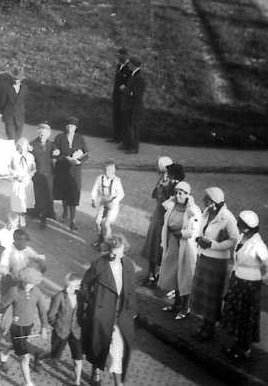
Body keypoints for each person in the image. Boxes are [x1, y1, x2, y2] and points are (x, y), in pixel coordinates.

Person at [79, 234, 138, 386]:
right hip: (102, 313)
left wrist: (131, 310)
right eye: (110, 249)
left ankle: (117, 381)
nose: (112, 253)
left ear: (124, 248)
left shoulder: (129, 265)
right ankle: (96, 371)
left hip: (121, 314)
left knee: (119, 348)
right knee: (99, 344)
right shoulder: (99, 264)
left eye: (116, 250)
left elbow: (131, 290)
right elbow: (85, 285)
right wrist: (91, 303)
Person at [221, 210, 268, 360]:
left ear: (246, 227)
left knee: (245, 317)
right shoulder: (242, 238)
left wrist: (264, 279)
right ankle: (237, 345)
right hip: (238, 282)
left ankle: (245, 349)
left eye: (239, 223)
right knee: (237, 315)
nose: (237, 225)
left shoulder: (258, 245)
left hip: (250, 286)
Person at [190, 186, 240, 341]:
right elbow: (201, 230)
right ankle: (204, 325)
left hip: (217, 262)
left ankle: (209, 329)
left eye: (207, 200)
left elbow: (233, 240)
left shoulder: (228, 217)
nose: (205, 202)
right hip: (204, 257)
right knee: (203, 294)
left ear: (214, 201)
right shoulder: (206, 212)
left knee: (212, 295)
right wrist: (199, 239)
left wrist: (213, 245)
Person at [0, 266, 47, 386]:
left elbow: (42, 310)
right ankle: (28, 383)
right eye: (30, 284)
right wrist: (12, 313)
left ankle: (3, 356)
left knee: (17, 345)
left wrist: (44, 327)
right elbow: (4, 304)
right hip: (16, 326)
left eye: (34, 284)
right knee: (24, 356)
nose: (32, 286)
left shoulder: (36, 292)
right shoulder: (14, 290)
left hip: (28, 326)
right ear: (24, 281)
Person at [158, 179, 201, 319]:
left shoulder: (193, 210)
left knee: (185, 275)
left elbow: (194, 232)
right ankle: (176, 303)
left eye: (181, 193)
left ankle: (185, 307)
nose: (178, 195)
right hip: (172, 244)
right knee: (174, 274)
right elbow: (165, 207)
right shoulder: (172, 206)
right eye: (176, 192)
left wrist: (180, 233)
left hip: (185, 246)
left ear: (188, 194)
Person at [141, 157, 177, 287]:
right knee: (152, 245)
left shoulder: (172, 183)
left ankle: (160, 275)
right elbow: (154, 194)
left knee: (161, 246)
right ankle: (151, 274)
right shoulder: (161, 179)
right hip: (157, 215)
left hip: (165, 217)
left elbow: (170, 201)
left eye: (158, 165)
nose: (156, 167)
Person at [44, 273, 84, 386]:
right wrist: (57, 326)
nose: (80, 286)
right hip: (61, 331)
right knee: (54, 356)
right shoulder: (59, 296)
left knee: (78, 359)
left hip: (76, 332)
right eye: (78, 284)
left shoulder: (80, 296)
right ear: (71, 283)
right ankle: (40, 356)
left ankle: (77, 382)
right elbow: (51, 315)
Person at [52, 117, 88, 230]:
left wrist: (79, 160)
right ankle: (65, 213)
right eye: (68, 126)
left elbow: (86, 153)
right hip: (62, 168)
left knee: (73, 193)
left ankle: (73, 220)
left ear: (76, 127)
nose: (70, 128)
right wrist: (65, 157)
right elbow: (55, 153)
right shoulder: (59, 137)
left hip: (75, 170)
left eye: (72, 126)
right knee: (64, 192)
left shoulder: (80, 138)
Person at [90, 160, 125, 247]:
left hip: (113, 206)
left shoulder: (116, 180)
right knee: (98, 221)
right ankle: (100, 239)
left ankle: (108, 242)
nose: (108, 172)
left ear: (114, 170)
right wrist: (93, 199)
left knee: (106, 223)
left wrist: (114, 202)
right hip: (103, 203)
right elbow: (94, 189)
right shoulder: (100, 178)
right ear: (103, 169)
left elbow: (121, 194)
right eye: (106, 170)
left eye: (110, 170)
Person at [29, 123, 56, 228]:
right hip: (37, 174)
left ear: (48, 135)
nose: (42, 136)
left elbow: (56, 157)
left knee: (48, 196)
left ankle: (46, 215)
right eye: (40, 134)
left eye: (44, 134)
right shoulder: (32, 144)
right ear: (38, 133)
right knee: (39, 196)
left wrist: (57, 155)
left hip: (49, 175)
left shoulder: (52, 145)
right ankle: (40, 215)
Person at [9, 138, 36, 228]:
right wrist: (16, 175)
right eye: (21, 146)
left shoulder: (30, 157)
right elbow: (10, 168)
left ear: (27, 147)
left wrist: (28, 177)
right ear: (18, 146)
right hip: (17, 181)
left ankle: (22, 217)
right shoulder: (14, 156)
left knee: (24, 202)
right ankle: (15, 218)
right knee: (17, 200)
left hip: (26, 181)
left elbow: (33, 169)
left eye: (25, 146)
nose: (22, 149)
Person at [120, 57, 145, 154]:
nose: (128, 65)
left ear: (133, 65)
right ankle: (128, 144)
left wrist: (124, 89)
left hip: (135, 107)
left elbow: (136, 94)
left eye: (129, 63)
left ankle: (134, 148)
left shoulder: (139, 77)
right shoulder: (134, 75)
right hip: (130, 106)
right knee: (128, 126)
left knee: (134, 127)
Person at [0, 67, 27, 141]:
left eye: (18, 79)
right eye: (14, 78)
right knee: (12, 139)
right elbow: (1, 102)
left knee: (18, 138)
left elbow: (25, 101)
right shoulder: (6, 87)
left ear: (21, 79)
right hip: (9, 117)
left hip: (20, 117)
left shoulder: (24, 88)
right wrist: (4, 112)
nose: (16, 80)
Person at [109, 49, 131, 143]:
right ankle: (116, 137)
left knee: (123, 118)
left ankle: (123, 139)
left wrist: (125, 87)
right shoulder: (118, 66)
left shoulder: (129, 68)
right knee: (116, 116)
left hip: (124, 97)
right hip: (117, 96)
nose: (118, 57)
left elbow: (131, 82)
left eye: (120, 55)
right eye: (118, 55)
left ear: (125, 55)